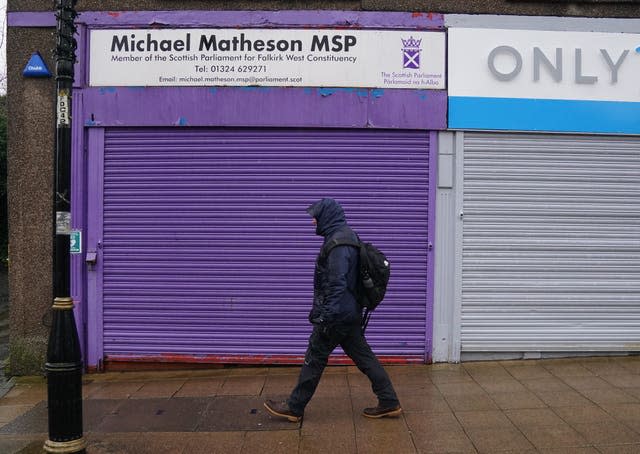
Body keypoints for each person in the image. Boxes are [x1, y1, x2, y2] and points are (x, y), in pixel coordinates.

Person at [264, 198, 401, 422]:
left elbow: (337, 284)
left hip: (337, 315)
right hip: (349, 313)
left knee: (315, 356)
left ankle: (295, 407)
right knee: (364, 357)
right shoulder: (346, 236)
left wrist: (326, 318)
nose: (313, 222)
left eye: (316, 217)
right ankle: (389, 401)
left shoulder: (338, 244)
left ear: (327, 216)